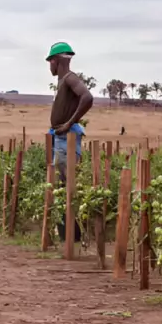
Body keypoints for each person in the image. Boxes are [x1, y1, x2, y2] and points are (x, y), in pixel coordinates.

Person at [47, 41, 93, 243]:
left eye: (50, 62)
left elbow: (87, 97)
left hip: (66, 139)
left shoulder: (70, 78)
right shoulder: (63, 81)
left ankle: (72, 236)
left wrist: (68, 124)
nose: (49, 67)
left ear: (56, 61)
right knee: (61, 185)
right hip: (60, 139)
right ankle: (68, 235)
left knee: (67, 186)